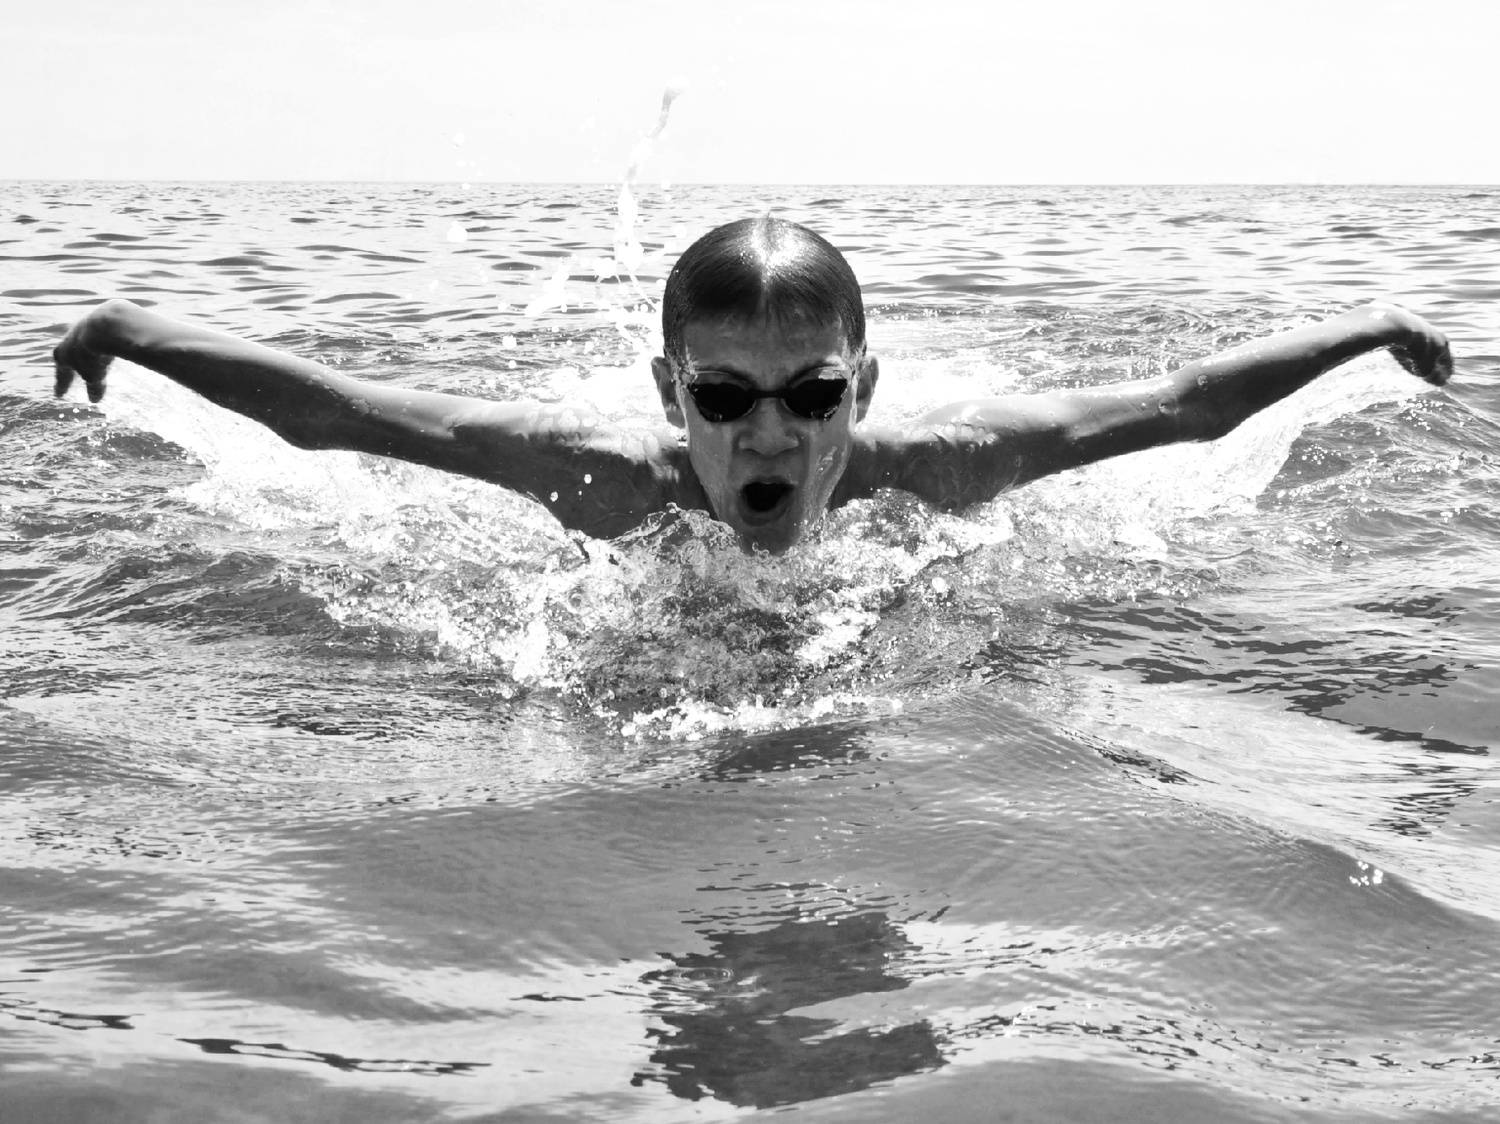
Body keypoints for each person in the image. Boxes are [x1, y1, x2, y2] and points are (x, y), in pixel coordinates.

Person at [51, 216, 1452, 554]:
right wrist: (130, 325)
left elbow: (1185, 405)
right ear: (671, 395)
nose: (771, 435)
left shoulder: (948, 466)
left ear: (866, 389)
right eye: (725, 399)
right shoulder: (599, 478)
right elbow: (337, 412)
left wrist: (1369, 325)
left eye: (813, 395)